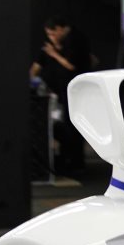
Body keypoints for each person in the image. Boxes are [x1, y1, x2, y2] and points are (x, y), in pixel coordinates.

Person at [30, 15, 92, 175]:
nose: (51, 37)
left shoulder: (75, 40)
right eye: (48, 35)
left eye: (53, 33)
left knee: (72, 127)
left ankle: (75, 162)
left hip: (74, 90)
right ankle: (67, 159)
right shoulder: (54, 46)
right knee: (64, 125)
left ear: (60, 29)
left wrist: (54, 54)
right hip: (59, 91)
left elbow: (71, 65)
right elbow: (37, 66)